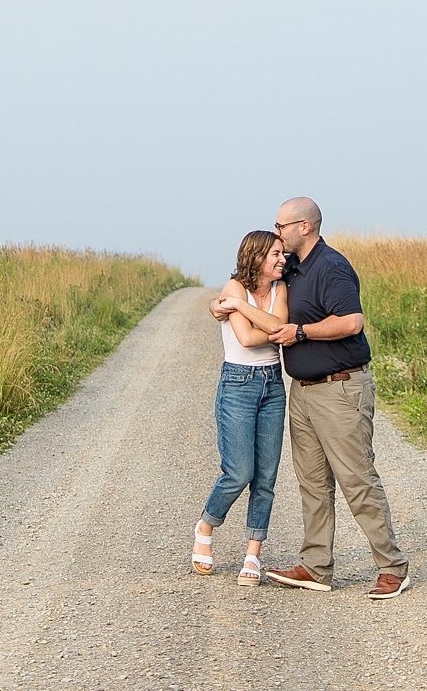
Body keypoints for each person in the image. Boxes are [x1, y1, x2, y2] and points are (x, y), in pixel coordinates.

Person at [215, 196, 410, 598]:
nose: (277, 233)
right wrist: (223, 304)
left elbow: (352, 321)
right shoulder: (294, 269)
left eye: (281, 226)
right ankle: (317, 565)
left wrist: (302, 332)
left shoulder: (332, 267)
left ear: (304, 226)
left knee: (357, 480)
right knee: (313, 484)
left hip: (340, 389)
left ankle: (392, 567)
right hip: (302, 392)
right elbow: (253, 294)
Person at [194, 228, 288, 585]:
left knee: (266, 477)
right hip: (238, 384)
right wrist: (257, 316)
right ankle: (206, 525)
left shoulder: (279, 289)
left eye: (282, 253)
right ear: (256, 257)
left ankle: (253, 554)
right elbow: (249, 339)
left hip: (273, 384)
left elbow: (279, 324)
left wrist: (242, 310)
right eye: (275, 254)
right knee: (239, 472)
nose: (282, 259)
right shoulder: (233, 288)